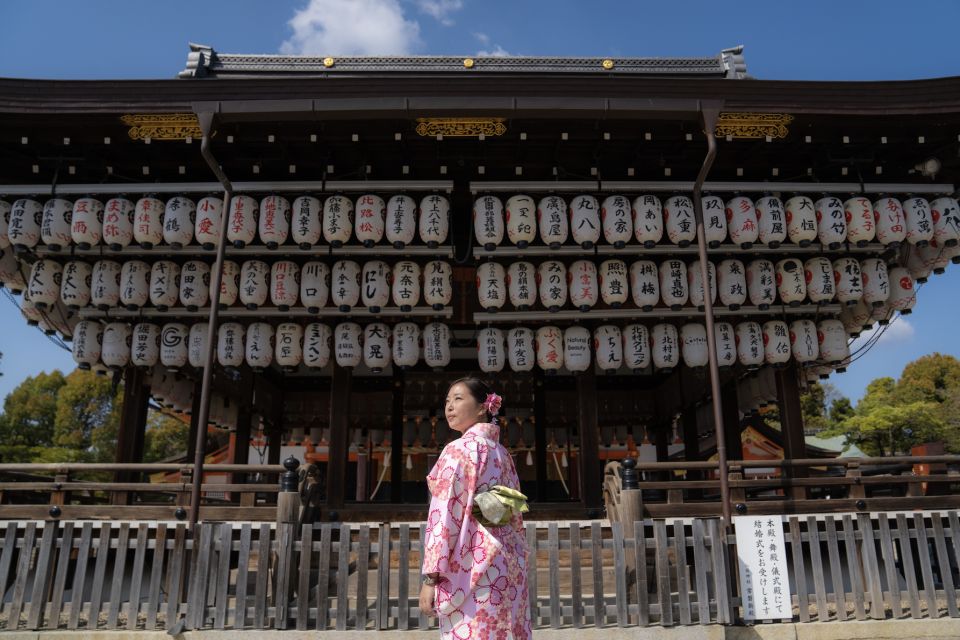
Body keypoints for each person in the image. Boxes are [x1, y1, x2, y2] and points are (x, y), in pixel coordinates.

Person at [419, 377, 532, 639]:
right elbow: (514, 517)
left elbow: (444, 516)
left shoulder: (458, 450)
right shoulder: (502, 453)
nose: (449, 407)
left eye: (458, 399)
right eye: (447, 401)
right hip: (506, 563)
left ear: (483, 407)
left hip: (471, 567)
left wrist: (431, 578)